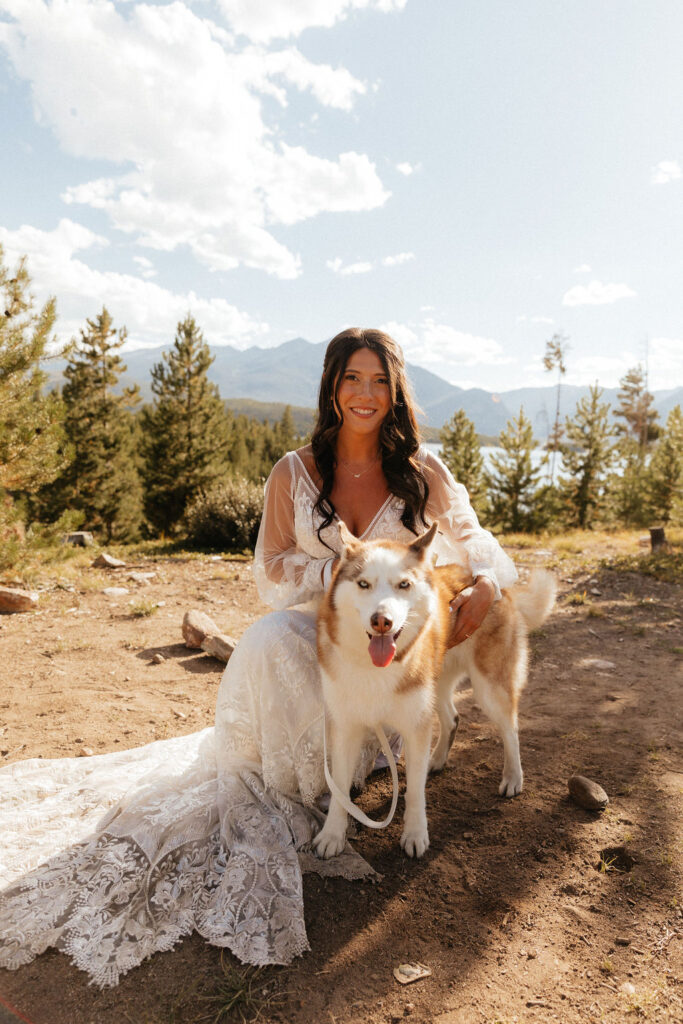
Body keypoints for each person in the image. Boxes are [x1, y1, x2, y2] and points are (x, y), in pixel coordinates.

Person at [0, 328, 517, 987]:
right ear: (332, 385)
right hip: (317, 632)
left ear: (396, 390)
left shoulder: (424, 472)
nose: (365, 393)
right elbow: (270, 578)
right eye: (352, 378)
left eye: (379, 380)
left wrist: (488, 583)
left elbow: (476, 543)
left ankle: (366, 752)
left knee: (405, 663)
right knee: (267, 636)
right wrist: (340, 570)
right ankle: (300, 781)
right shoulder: (294, 472)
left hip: (394, 644)